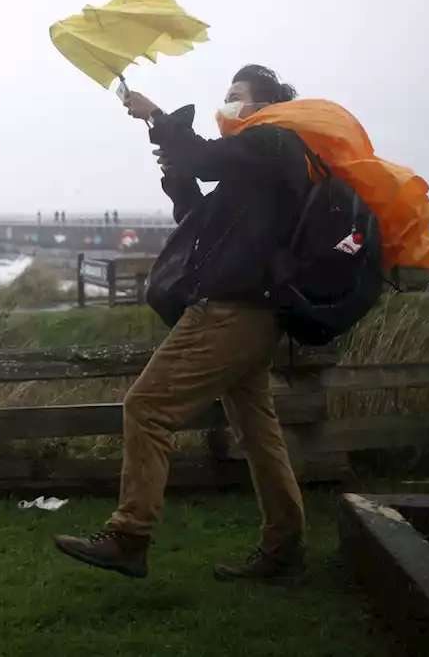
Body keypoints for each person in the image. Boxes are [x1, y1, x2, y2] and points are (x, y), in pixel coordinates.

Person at [54, 65, 312, 584]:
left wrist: (154, 114)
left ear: (262, 107)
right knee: (259, 435)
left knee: (148, 407)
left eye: (235, 96)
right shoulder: (257, 168)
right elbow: (201, 219)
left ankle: (129, 535)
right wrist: (178, 176)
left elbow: (205, 156)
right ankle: (283, 547)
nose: (226, 104)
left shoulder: (274, 143)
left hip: (230, 313)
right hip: (253, 317)